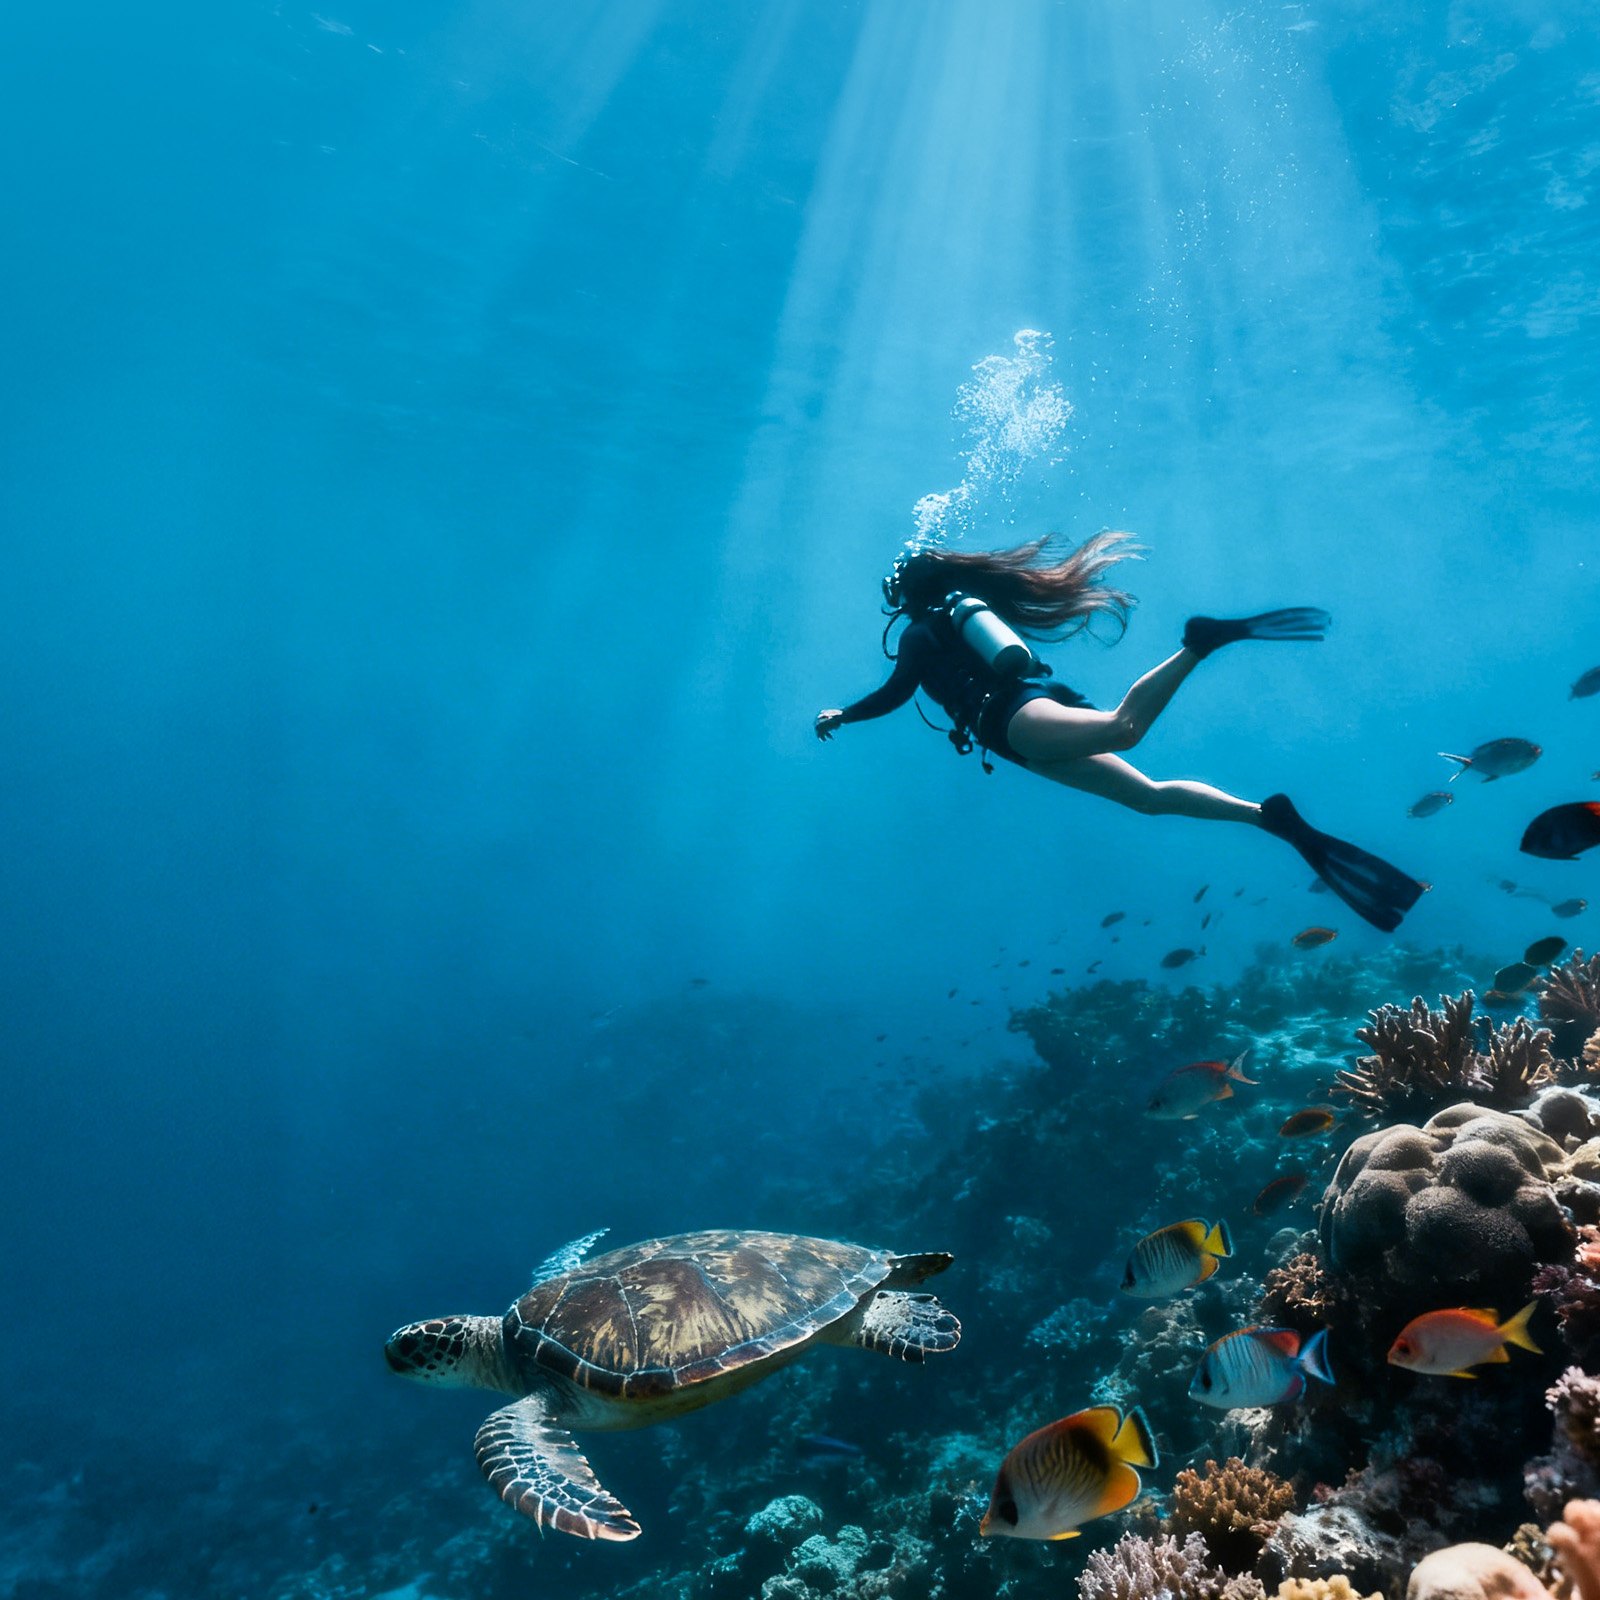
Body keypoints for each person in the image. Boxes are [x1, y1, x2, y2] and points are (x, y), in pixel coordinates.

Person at [814, 533, 1424, 932]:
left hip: (1014, 720)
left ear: (906, 596)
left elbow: (895, 695)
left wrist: (843, 714)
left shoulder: (923, 633)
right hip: (1029, 713)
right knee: (1148, 799)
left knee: (1123, 730)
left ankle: (1198, 644)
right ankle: (1268, 817)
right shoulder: (964, 616)